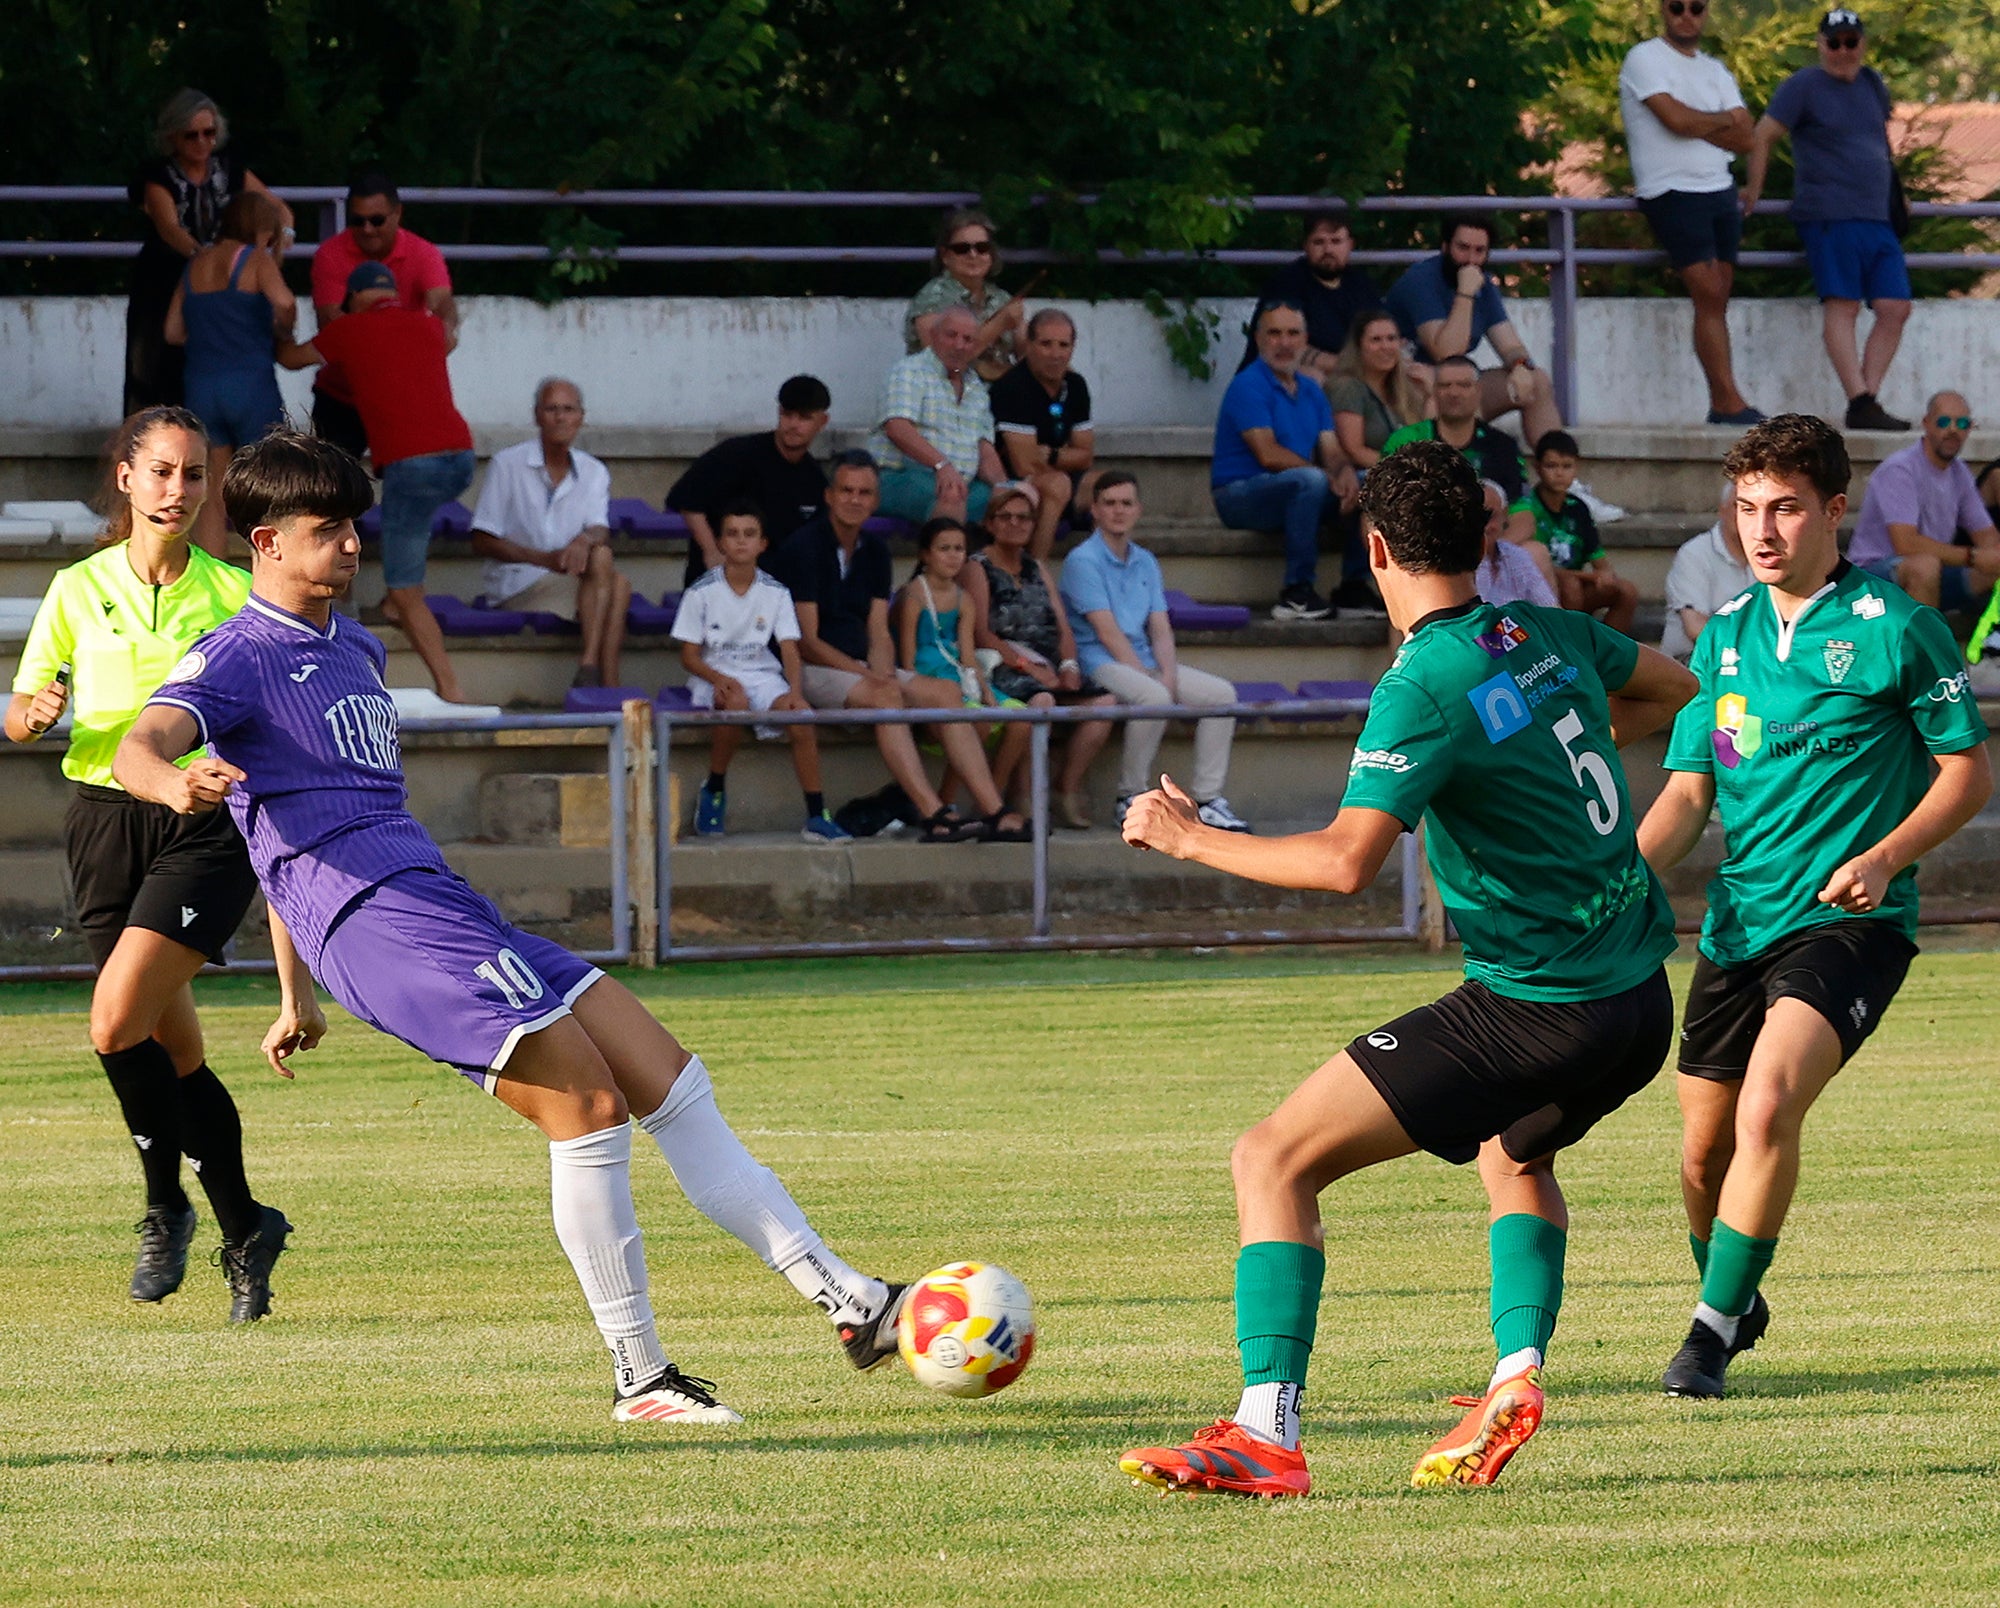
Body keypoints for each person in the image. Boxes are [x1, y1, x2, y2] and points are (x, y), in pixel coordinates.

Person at [115, 431, 926, 1423]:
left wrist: (295, 995)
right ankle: (641, 1379)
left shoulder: (358, 648)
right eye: (326, 532)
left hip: (437, 903)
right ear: (266, 542)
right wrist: (174, 780)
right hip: (381, 924)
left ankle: (851, 1304)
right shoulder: (235, 655)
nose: (350, 547)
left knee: (667, 1074)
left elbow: (279, 833)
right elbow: (139, 746)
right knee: (585, 1110)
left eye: (353, 529)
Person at [1115, 440, 1697, 1496]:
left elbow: (1344, 863)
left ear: (1375, 548)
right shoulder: (1547, 632)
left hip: (1536, 1004)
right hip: (1636, 1000)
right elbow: (1674, 688)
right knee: (1513, 1155)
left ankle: (1265, 1432)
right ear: (1481, 540)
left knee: (1272, 1159)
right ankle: (1513, 1373)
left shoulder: (1424, 681)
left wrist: (1183, 837)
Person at [1637, 413, 1991, 1399]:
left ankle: (1706, 1338)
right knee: (1701, 1153)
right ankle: (1732, 1291)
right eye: (1746, 507)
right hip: (1734, 926)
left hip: (1850, 923)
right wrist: (1617, 877)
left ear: (1833, 510)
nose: (1761, 528)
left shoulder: (1896, 630)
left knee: (1767, 1102)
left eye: (1784, 507)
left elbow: (1964, 773)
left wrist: (1883, 857)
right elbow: (1684, 796)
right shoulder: (1722, 642)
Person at [5, 406, 287, 1323]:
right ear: (125, 478)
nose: (177, 491)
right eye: (161, 472)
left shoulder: (235, 594)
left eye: (194, 474)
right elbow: (18, 710)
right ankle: (245, 1223)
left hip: (203, 828)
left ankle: (166, 1205)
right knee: (176, 1050)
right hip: (101, 823)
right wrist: (32, 714)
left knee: (112, 1023)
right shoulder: (76, 588)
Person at [773, 452, 1030, 843]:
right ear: (829, 496)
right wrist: (871, 677)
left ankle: (993, 809)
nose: (855, 500)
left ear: (876, 501)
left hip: (863, 666)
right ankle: (932, 811)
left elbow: (878, 628)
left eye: (864, 492)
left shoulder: (875, 551)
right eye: (846, 491)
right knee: (886, 695)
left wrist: (882, 669)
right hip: (811, 668)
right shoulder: (803, 547)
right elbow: (808, 642)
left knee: (945, 691)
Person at [279, 262, 474, 703]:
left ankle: (451, 688)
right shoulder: (427, 326)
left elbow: (291, 359)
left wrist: (283, 325)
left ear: (352, 298)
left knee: (407, 591)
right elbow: (448, 332)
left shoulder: (349, 329)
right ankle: (393, 599)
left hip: (412, 464)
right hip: (461, 457)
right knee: (413, 527)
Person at [1743, 11, 1910, 432]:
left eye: (1850, 42)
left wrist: (1896, 188)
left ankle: (1867, 399)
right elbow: (1762, 134)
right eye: (1834, 42)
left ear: (1862, 43)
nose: (1843, 51)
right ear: (1820, 44)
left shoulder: (1872, 83)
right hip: (1829, 214)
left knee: (1895, 306)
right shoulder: (1803, 86)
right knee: (1844, 305)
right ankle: (1859, 397)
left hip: (1875, 216)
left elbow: (1879, 141)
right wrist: (1754, 189)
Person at [1061, 473, 1250, 834]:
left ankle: (1208, 799)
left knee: (1221, 695)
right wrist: (1154, 681)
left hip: (1143, 659)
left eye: (1127, 503)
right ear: (1095, 510)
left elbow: (1160, 627)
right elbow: (1106, 632)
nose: (1119, 511)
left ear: (1139, 510)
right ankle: (1129, 796)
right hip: (1098, 660)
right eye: (1110, 503)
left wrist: (1167, 673)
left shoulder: (1145, 560)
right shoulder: (1082, 560)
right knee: (1153, 695)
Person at [1620, 0, 1763, 427]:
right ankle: (1729, 399)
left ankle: (1723, 402)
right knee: (1707, 291)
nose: (1686, 15)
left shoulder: (1715, 70)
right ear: (1663, 10)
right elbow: (1675, 120)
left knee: (1718, 293)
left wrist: (1701, 123)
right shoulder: (1644, 58)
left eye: (1696, 7)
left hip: (1718, 190)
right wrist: (1721, 121)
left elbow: (1747, 138)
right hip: (1671, 190)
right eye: (1677, 6)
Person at [674, 502, 850, 844]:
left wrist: (795, 691)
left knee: (801, 716)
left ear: (763, 544)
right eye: (733, 534)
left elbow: (789, 649)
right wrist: (717, 679)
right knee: (735, 702)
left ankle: (817, 814)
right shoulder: (701, 591)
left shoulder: (777, 592)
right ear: (721, 543)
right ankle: (715, 787)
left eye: (749, 534)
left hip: (762, 675)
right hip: (716, 673)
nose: (741, 542)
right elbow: (689, 656)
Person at [125, 89, 293, 417]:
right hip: (167, 278)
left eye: (209, 133)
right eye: (192, 135)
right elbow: (170, 230)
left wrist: (280, 241)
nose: (202, 142)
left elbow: (277, 208)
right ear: (172, 137)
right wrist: (211, 261)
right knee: (155, 367)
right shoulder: (157, 176)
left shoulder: (230, 168)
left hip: (220, 280)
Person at [963, 482, 1116, 829]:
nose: (1015, 524)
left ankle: (1066, 787)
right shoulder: (978, 567)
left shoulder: (1037, 567)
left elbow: (1062, 625)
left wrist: (1069, 665)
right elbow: (981, 631)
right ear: (990, 523)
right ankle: (1022, 792)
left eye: (1024, 518)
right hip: (1003, 663)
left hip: (1048, 665)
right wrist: (1027, 667)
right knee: (1042, 699)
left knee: (1105, 704)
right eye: (1006, 517)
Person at [469, 379, 630, 690]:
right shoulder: (508, 464)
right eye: (552, 409)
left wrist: (583, 540)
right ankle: (607, 683)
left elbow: (599, 527)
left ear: (581, 417)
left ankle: (590, 668)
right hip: (517, 583)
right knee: (617, 586)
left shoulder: (593, 470)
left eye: (568, 409)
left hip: (571, 581)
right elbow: (481, 539)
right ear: (537, 416)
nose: (560, 417)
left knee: (603, 559)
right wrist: (544, 559)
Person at [1210, 301, 1364, 623]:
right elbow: (1267, 453)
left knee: (1368, 483)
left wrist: (1346, 473)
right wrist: (1325, 476)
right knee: (1310, 481)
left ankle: (1353, 587)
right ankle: (1296, 591)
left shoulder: (1311, 390)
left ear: (1305, 339)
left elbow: (1332, 449)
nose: (1284, 343)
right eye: (1275, 333)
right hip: (1239, 495)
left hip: (1293, 489)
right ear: (1259, 339)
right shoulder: (1248, 384)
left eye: (1293, 333)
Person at [164, 191, 296, 557]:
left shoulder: (195, 265)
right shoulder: (255, 260)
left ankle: (214, 584)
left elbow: (172, 332)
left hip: (202, 387)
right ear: (260, 228)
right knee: (271, 487)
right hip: (250, 384)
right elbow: (284, 302)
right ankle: (269, 585)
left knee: (211, 493)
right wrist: (284, 328)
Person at [307, 173, 458, 458]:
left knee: (410, 483)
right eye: (357, 221)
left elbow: (442, 304)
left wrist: (446, 329)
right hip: (343, 396)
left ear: (398, 213)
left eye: (376, 220)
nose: (367, 229)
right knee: (333, 491)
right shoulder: (331, 254)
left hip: (400, 398)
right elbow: (330, 320)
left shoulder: (423, 253)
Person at [1384, 214, 1562, 445]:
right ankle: (1458, 475)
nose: (1470, 259)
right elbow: (1448, 354)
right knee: (1451, 396)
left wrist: (1520, 366)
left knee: (1536, 380)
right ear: (1445, 246)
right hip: (1408, 385)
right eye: (1463, 248)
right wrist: (1465, 293)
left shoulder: (1484, 285)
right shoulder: (1421, 281)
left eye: (1480, 251)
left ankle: (1558, 472)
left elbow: (1511, 346)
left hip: (1452, 383)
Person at [666, 375, 831, 590]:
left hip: (778, 591)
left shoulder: (815, 479)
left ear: (822, 422)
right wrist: (712, 552)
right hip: (719, 585)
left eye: (804, 417)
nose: (794, 425)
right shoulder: (737, 454)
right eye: (787, 415)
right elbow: (686, 499)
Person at [1848, 392, 2000, 612]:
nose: (1953, 430)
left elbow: (1986, 535)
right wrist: (1972, 557)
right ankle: (1924, 646)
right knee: (1924, 565)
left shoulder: (1959, 473)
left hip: (1931, 574)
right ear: (1926, 423)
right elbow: (1906, 544)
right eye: (1944, 421)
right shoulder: (1900, 469)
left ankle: (1989, 643)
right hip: (1872, 580)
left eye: (1963, 423)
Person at [870, 306, 1008, 527]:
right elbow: (897, 428)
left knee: (1013, 503)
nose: (959, 345)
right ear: (934, 336)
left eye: (968, 339)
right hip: (901, 477)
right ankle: (946, 561)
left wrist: (1004, 487)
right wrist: (942, 465)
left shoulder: (976, 388)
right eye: (951, 335)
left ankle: (1007, 562)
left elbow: (985, 450)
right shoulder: (909, 371)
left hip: (960, 482)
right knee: (951, 496)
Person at [988, 310, 1098, 558]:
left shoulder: (1076, 385)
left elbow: (1086, 456)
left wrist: (1051, 455)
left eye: (1063, 345)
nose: (1056, 354)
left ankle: (1109, 576)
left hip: (1058, 477)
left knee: (1111, 488)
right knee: (1057, 485)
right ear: (1029, 345)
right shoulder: (1012, 387)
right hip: (1009, 483)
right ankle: (1033, 575)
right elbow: (1025, 465)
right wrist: (1064, 459)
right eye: (1046, 344)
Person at [1512, 431, 1638, 635]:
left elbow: (1601, 563)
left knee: (1626, 590)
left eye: (1567, 466)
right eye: (1551, 466)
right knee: (1570, 585)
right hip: (1538, 592)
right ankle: (1572, 649)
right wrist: (1589, 577)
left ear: (1576, 468)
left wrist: (1605, 576)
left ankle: (1609, 655)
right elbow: (1537, 567)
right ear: (1537, 468)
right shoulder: (1527, 509)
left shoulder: (1578, 508)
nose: (1560, 473)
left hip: (1577, 589)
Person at [1237, 212, 1385, 383]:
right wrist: (1352, 368)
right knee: (1312, 378)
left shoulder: (1363, 285)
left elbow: (1383, 334)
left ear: (1350, 245)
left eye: (1336, 241)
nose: (1328, 250)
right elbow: (1284, 346)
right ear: (1306, 246)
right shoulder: (1286, 284)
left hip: (1354, 375)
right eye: (1319, 242)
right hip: (1277, 377)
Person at [1382, 356, 1527, 505]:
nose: (1454, 393)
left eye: (1464, 385)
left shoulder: (1502, 445)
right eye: (1445, 385)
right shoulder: (1406, 440)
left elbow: (1521, 510)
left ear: (1478, 391)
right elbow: (1382, 500)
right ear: (1435, 392)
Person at [903, 207, 1024, 381]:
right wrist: (999, 324)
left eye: (982, 248)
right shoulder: (931, 298)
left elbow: (1031, 350)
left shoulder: (1001, 298)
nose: (973, 255)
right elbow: (943, 359)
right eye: (962, 248)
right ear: (945, 256)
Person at [1329, 310, 1429, 475]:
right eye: (1376, 340)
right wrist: (1405, 470)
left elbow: (1428, 440)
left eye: (1391, 339)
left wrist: (1428, 395)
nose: (1385, 347)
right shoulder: (1348, 387)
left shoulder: (1404, 389)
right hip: (1366, 477)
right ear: (1358, 346)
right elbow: (1353, 450)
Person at [1662, 486, 1754, 661]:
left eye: (1751, 509)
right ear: (1722, 509)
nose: (1744, 515)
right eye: (1738, 506)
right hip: (1692, 662)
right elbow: (1696, 628)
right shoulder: (1694, 553)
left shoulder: (1768, 556)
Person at [1476, 479, 1558, 610]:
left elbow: (1550, 608)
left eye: (1490, 516)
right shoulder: (1459, 562)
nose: (1485, 525)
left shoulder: (1517, 556)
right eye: (1475, 516)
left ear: (1504, 513)